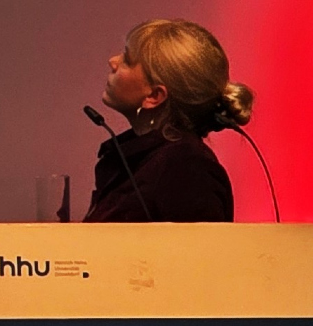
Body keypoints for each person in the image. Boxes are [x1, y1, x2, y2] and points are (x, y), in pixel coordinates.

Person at [83, 18, 254, 222]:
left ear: (154, 96)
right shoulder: (140, 158)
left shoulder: (188, 171)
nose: (113, 61)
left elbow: (199, 243)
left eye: (127, 60)